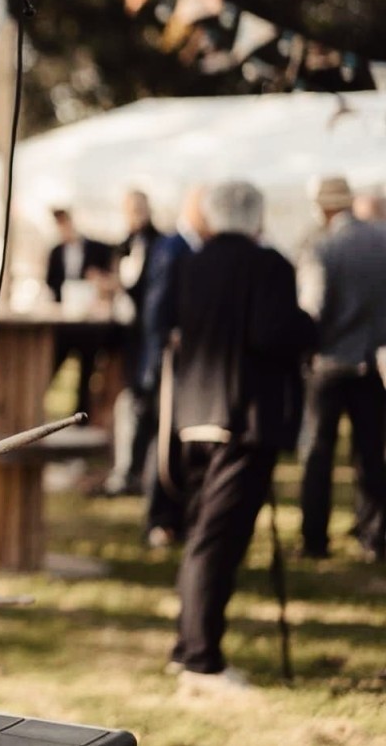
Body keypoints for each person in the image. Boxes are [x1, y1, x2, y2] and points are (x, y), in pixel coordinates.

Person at [169, 180, 315, 692]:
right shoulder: (268, 264)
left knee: (202, 535)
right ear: (256, 217)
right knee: (219, 541)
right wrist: (309, 327)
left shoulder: (194, 260)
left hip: (194, 412)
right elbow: (272, 332)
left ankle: (187, 646)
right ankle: (201, 659)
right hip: (243, 418)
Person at [296, 176, 386, 562]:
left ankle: (315, 540)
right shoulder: (382, 241)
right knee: (370, 454)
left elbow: (311, 311)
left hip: (329, 363)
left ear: (323, 208)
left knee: (318, 454)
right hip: (371, 361)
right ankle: (376, 536)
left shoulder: (323, 248)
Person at [140, 186, 208, 547]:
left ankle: (178, 517)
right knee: (162, 442)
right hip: (168, 363)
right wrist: (168, 337)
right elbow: (156, 308)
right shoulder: (173, 247)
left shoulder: (194, 247)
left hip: (189, 365)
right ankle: (159, 519)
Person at [102, 190, 164, 497]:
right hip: (125, 334)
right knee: (128, 401)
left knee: (143, 402)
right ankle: (127, 468)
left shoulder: (160, 244)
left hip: (147, 336)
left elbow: (148, 293)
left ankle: (137, 469)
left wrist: (121, 286)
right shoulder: (123, 244)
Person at [46, 208, 112, 416]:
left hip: (87, 322)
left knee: (86, 372)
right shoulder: (56, 252)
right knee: (52, 365)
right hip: (63, 321)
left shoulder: (96, 249)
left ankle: (82, 416)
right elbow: (50, 282)